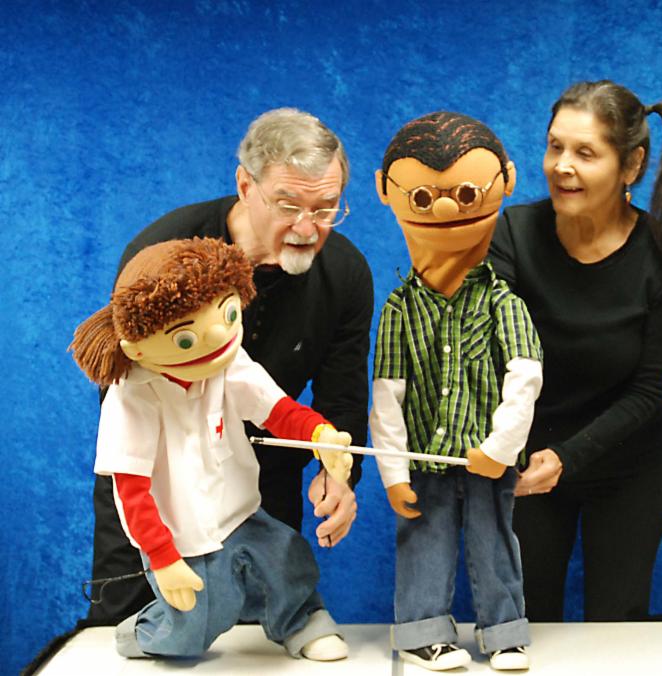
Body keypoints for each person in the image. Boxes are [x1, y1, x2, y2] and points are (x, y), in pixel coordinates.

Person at [88, 108, 374, 632]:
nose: (307, 228)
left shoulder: (346, 273)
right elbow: (123, 396)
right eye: (288, 206)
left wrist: (340, 474)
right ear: (245, 185)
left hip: (262, 486)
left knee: (260, 638)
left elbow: (343, 396)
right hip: (155, 482)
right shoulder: (162, 252)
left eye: (326, 208)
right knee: (128, 629)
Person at [71, 238, 354, 660]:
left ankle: (304, 621)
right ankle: (145, 633)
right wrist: (162, 557)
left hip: (241, 510)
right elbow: (131, 488)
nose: (221, 335)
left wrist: (319, 436)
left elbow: (274, 408)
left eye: (229, 314)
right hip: (180, 532)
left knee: (285, 560)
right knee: (196, 621)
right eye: (187, 339)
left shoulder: (226, 361)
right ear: (138, 348)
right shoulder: (132, 397)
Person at [489, 80, 662, 622]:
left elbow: (648, 390)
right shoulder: (512, 233)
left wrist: (568, 456)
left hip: (628, 469)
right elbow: (489, 351)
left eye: (585, 153)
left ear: (632, 165)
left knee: (617, 627)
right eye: (554, 146)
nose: (562, 166)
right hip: (529, 464)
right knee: (526, 626)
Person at [370, 112, 542, 671]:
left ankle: (505, 631)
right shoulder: (398, 310)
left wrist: (501, 448)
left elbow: (525, 378)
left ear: (505, 181)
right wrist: (393, 472)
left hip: (488, 460)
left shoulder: (503, 304)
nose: (445, 209)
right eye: (422, 197)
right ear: (386, 191)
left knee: (496, 542)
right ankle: (421, 632)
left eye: (466, 194)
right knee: (423, 540)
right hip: (426, 459)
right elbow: (387, 397)